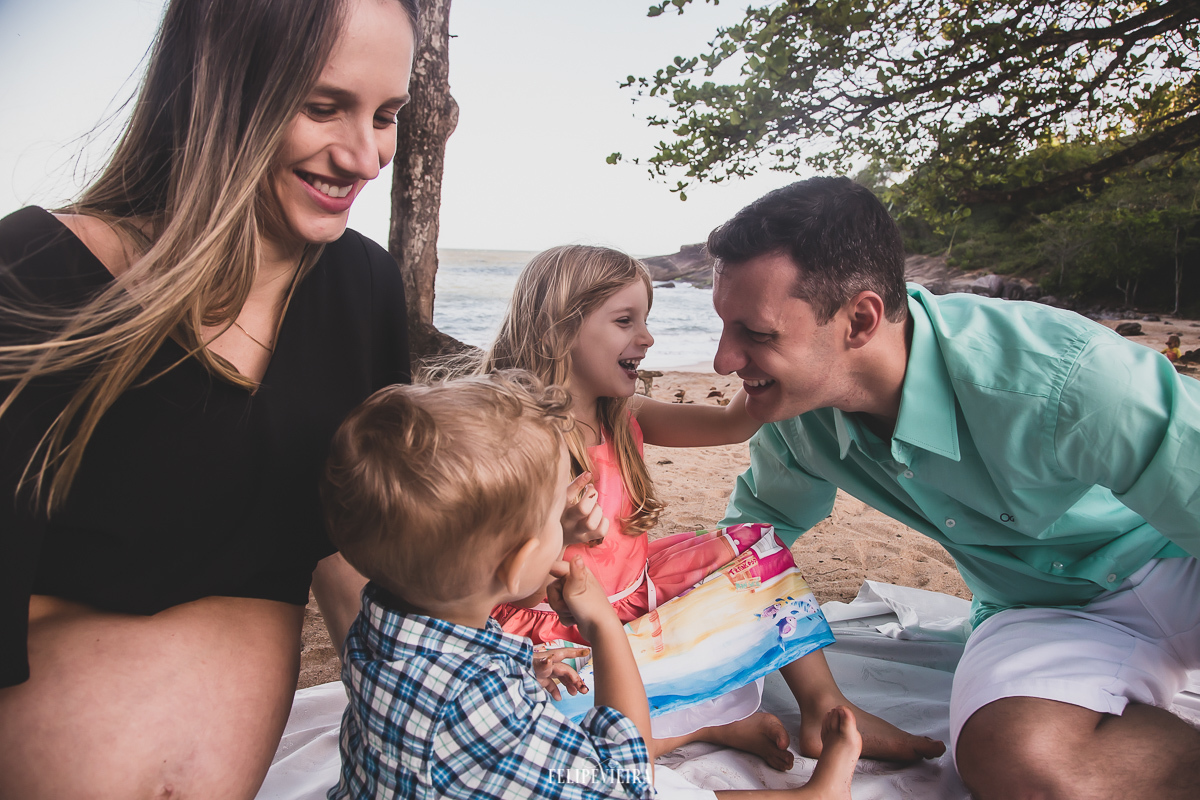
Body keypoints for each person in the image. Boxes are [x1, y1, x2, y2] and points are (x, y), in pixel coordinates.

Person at [0, 0, 418, 797]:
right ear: (217, 90)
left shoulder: (364, 289)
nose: (366, 157)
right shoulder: (34, 273)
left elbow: (353, 548)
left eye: (388, 116)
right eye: (323, 107)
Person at [710, 176, 1200, 800]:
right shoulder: (794, 417)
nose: (725, 360)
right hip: (1041, 608)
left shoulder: (1061, 377)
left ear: (859, 318)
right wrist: (822, 696)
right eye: (724, 326)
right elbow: (751, 547)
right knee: (1012, 760)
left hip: (1180, 558)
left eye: (756, 332)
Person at [476, 245, 943, 764]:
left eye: (646, 320)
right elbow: (499, 578)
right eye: (625, 320)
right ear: (559, 329)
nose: (647, 338)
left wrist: (770, 357)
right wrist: (558, 535)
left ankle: (824, 708)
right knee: (556, 727)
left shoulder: (624, 415)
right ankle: (698, 731)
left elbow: (732, 424)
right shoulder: (516, 440)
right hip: (562, 625)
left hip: (639, 597)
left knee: (755, 547)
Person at [320, 371, 864, 800]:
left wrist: (522, 667)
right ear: (518, 564)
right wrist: (602, 623)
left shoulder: (379, 621)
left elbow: (452, 677)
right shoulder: (479, 708)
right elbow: (624, 783)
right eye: (555, 516)